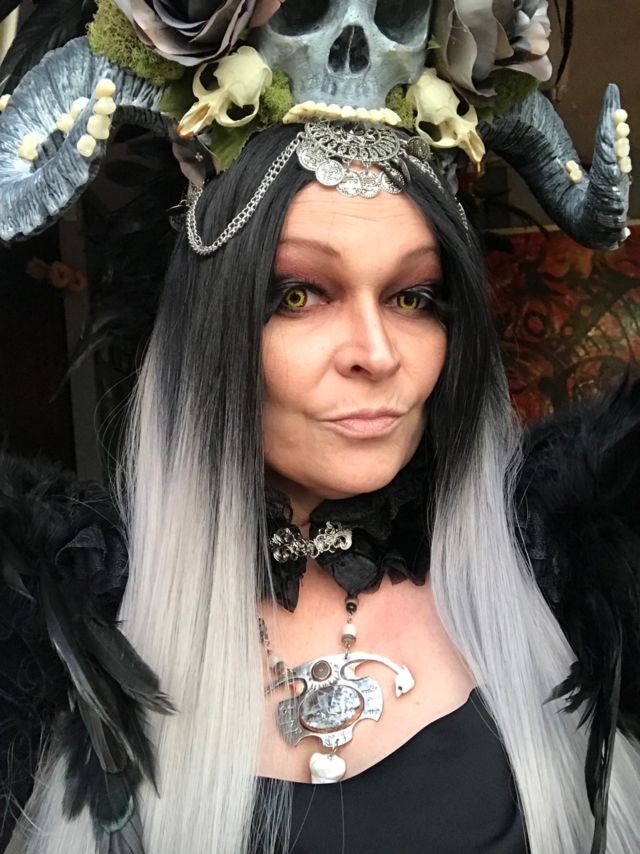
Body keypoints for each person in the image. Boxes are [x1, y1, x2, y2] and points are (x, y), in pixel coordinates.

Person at [1, 118, 640, 854]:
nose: (377, 353)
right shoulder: (59, 621)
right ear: (207, 336)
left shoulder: (570, 578)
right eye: (300, 294)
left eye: (414, 297)